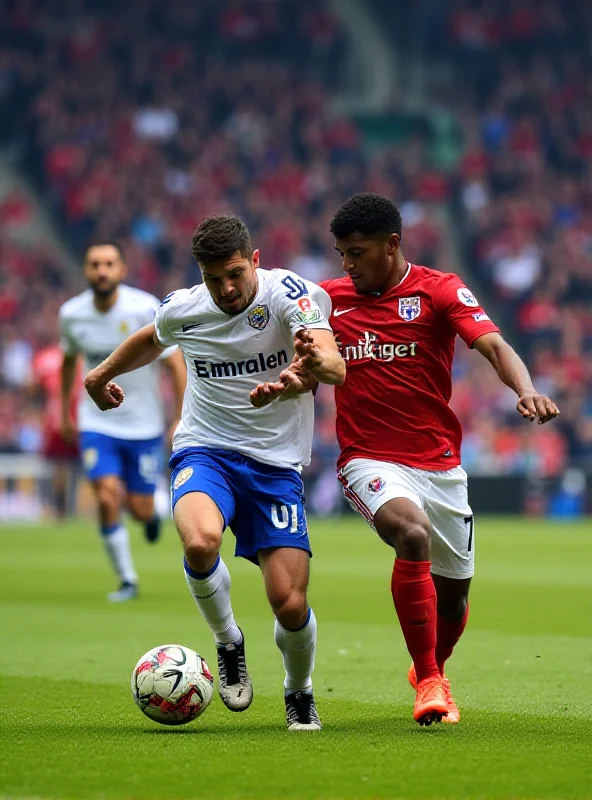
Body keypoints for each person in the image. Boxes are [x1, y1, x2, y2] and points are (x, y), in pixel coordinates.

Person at [253, 193, 559, 726]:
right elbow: (306, 362)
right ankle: (432, 680)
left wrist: (525, 389)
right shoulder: (326, 300)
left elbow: (493, 345)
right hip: (368, 459)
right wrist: (285, 384)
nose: (346, 264)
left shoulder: (439, 289)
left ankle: (430, 669)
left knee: (455, 601)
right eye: (341, 254)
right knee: (411, 534)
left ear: (392, 245)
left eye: (357, 252)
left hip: (440, 462)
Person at [84, 215, 345, 731]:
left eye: (234, 275)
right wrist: (100, 375)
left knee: (289, 603)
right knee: (201, 542)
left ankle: (299, 690)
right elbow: (151, 338)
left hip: (275, 463)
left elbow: (334, 365)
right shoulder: (186, 307)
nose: (225, 289)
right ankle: (228, 640)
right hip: (206, 449)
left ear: (255, 260)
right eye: (212, 278)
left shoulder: (292, 295)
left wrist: (299, 376)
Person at [59, 241, 186, 602]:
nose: (102, 270)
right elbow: (68, 362)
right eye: (94, 264)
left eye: (109, 264)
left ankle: (149, 518)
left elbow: (174, 364)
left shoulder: (145, 307)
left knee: (141, 506)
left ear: (122, 270)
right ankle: (127, 579)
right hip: (96, 421)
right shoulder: (71, 314)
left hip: (144, 425)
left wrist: (179, 415)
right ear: (86, 270)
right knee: (106, 495)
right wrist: (64, 411)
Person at [30, 336, 82, 517]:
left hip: (69, 419)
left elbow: (31, 388)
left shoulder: (47, 358)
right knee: (62, 466)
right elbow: (32, 388)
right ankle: (62, 508)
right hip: (64, 419)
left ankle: (67, 508)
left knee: (66, 466)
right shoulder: (51, 358)